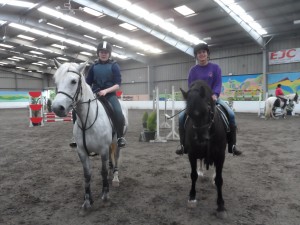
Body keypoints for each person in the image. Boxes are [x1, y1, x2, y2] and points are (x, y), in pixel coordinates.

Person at [175, 43, 242, 156]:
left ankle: (232, 145)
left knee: (231, 114)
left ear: (207, 54)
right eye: (199, 53)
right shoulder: (193, 70)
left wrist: (215, 94)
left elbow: (218, 83)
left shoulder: (215, 68)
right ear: (196, 56)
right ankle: (183, 145)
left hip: (213, 98)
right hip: (197, 101)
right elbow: (191, 86)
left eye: (203, 52)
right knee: (181, 117)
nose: (201, 54)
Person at [85, 41, 126, 148]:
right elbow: (87, 83)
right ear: (98, 53)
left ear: (109, 54)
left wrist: (106, 91)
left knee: (118, 112)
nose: (104, 54)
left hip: (109, 95)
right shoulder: (93, 67)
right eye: (102, 52)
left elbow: (117, 84)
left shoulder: (114, 66)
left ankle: (120, 137)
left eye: (106, 52)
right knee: (78, 111)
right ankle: (76, 137)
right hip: (95, 95)